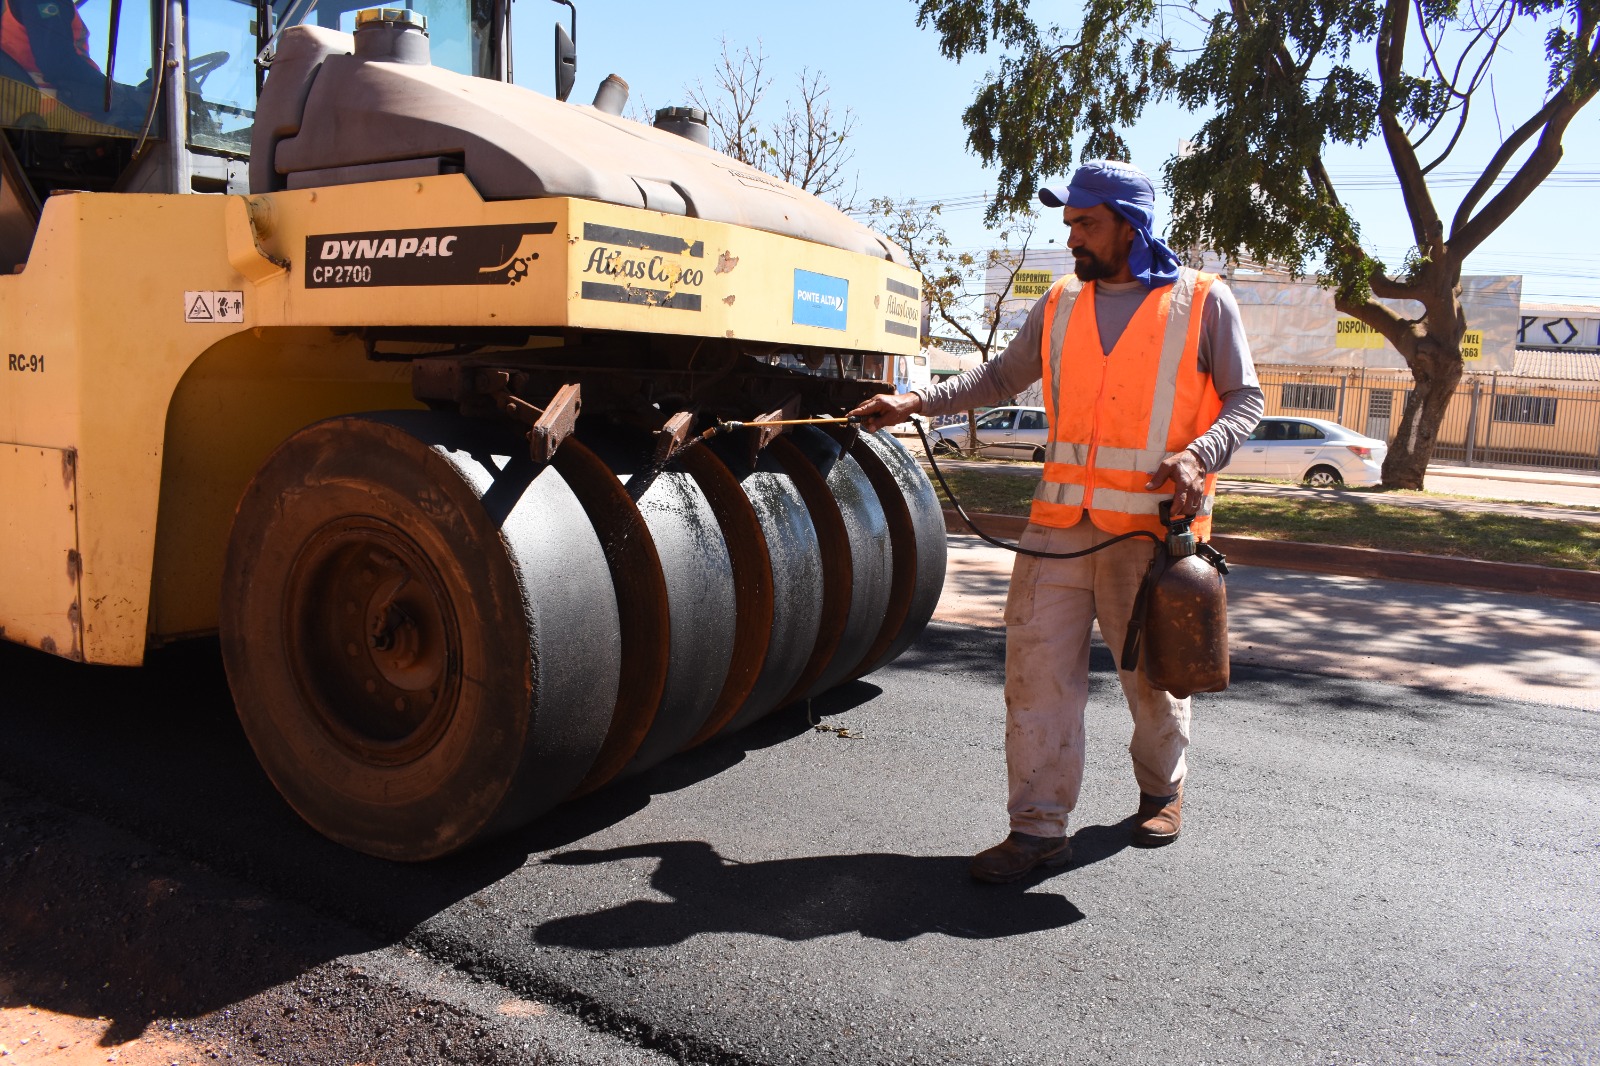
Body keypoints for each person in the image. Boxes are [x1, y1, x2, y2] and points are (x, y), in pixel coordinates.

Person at [851, 160, 1264, 884]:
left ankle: (1161, 789)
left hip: (1151, 536)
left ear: (1130, 226)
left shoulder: (1204, 303)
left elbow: (1245, 400)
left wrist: (1200, 457)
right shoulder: (1062, 302)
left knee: (1150, 681)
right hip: (1057, 528)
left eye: (1086, 222)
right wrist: (916, 403)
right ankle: (1037, 830)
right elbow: (998, 378)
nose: (1072, 235)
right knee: (1036, 679)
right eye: (1069, 222)